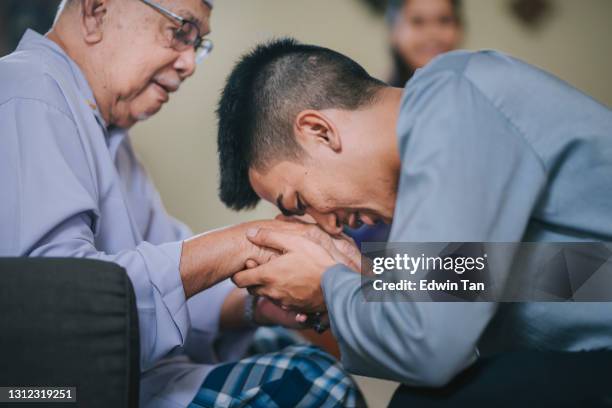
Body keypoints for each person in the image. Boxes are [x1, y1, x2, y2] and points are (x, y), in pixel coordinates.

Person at [0, 1, 364, 407]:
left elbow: (436, 299)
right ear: (96, 11)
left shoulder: (431, 130)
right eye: (180, 30)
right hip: (55, 391)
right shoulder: (30, 92)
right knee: (310, 376)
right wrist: (270, 262)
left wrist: (364, 278)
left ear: (322, 132)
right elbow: (66, 313)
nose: (328, 222)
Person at [216, 39, 612, 403]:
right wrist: (362, 276)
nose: (330, 226)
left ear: (319, 131)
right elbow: (558, 273)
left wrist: (328, 287)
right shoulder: (449, 114)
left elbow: (429, 345)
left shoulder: (452, 102)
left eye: (299, 201)